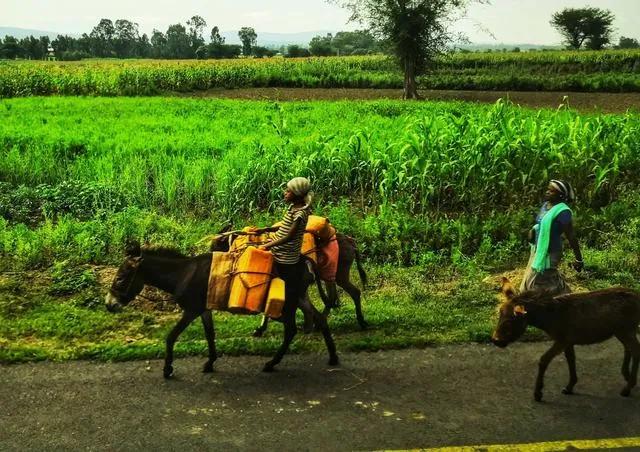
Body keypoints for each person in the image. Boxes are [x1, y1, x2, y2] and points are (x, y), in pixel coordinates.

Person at [520, 179, 583, 295]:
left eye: (552, 191)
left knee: (538, 282)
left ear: (561, 195)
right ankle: (566, 296)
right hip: (538, 249)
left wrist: (579, 259)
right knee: (538, 280)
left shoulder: (563, 212)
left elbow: (571, 236)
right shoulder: (546, 205)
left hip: (551, 252)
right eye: (548, 189)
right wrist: (534, 230)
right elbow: (541, 223)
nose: (548, 192)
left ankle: (563, 298)